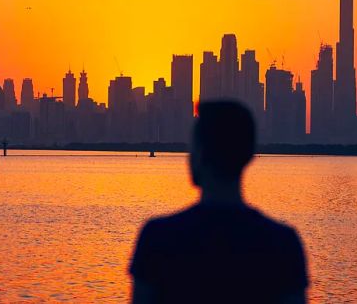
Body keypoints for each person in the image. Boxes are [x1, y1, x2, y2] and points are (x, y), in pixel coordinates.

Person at [129, 101, 308, 303]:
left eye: (192, 149)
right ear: (248, 156)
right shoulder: (283, 244)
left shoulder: (158, 238)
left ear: (200, 154)